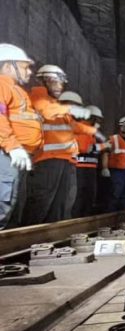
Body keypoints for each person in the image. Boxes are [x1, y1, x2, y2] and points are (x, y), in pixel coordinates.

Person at [27, 65, 98, 224]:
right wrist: (70, 108)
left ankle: (52, 237)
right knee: (42, 201)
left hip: (65, 159)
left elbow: (72, 126)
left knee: (61, 203)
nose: (60, 86)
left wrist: (90, 130)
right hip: (47, 159)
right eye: (56, 82)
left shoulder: (55, 104)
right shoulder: (38, 96)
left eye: (61, 83)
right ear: (44, 81)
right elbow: (46, 111)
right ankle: (27, 237)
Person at [0, 44, 42, 229]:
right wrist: (13, 146)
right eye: (25, 67)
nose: (30, 72)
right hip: (6, 153)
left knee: (14, 204)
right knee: (3, 202)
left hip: (17, 156)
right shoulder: (2, 85)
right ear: (9, 66)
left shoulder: (18, 91)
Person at [71, 101, 109, 217]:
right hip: (80, 169)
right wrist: (104, 146)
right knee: (79, 197)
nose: (99, 123)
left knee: (89, 197)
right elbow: (86, 149)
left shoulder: (91, 133)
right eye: (97, 119)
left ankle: (84, 221)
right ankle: (75, 222)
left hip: (90, 169)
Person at [101, 117, 125, 211]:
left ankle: (122, 218)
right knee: (115, 193)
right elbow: (105, 153)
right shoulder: (112, 139)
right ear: (119, 127)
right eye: (123, 126)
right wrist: (105, 168)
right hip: (117, 171)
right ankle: (110, 217)